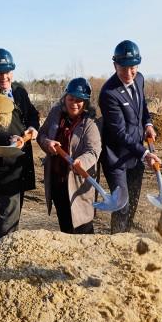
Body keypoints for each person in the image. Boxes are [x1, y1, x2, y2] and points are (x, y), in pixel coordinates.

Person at [0, 48, 39, 239]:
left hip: (20, 161)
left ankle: (8, 246)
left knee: (16, 209)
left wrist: (33, 128)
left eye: (7, 72)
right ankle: (1, 254)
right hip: (0, 165)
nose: (4, 77)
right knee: (8, 213)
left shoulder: (19, 91)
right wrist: (9, 139)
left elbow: (32, 114)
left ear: (12, 71)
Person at [99, 40, 159, 234]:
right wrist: (145, 154)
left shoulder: (139, 79)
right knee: (122, 205)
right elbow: (119, 133)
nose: (128, 73)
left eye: (132, 68)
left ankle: (125, 239)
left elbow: (142, 108)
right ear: (115, 65)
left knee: (132, 203)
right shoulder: (109, 93)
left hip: (135, 156)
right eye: (123, 68)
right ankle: (116, 242)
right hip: (116, 158)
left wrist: (148, 123)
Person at [38, 78, 102, 234]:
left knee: (83, 229)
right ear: (65, 98)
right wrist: (47, 143)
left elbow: (93, 151)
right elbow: (42, 134)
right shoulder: (55, 114)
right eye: (71, 99)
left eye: (79, 100)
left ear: (85, 102)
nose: (74, 103)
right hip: (57, 182)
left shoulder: (90, 123)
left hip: (79, 186)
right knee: (66, 228)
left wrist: (82, 162)